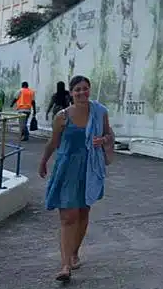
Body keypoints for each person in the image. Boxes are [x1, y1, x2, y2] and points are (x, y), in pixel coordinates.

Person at [39, 75, 114, 282]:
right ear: (71, 93)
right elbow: (53, 142)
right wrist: (43, 161)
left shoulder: (100, 112)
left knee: (82, 213)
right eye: (77, 90)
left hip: (89, 168)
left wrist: (103, 139)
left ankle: (74, 253)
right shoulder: (62, 117)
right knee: (67, 217)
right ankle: (64, 266)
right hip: (67, 168)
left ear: (89, 90)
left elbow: (109, 134)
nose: (82, 93)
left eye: (85, 89)